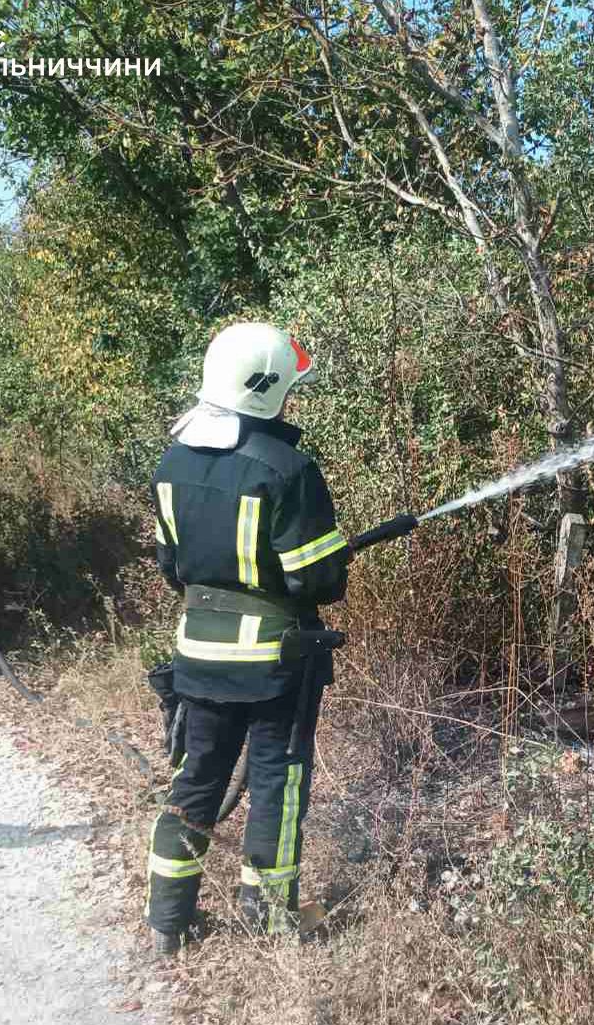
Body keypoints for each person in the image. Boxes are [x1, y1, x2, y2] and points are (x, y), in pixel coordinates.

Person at [144, 322, 356, 957]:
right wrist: (329, 557)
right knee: (275, 785)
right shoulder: (287, 468)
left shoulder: (172, 461)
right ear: (268, 390)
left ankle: (168, 921)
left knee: (195, 782)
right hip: (271, 663)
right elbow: (317, 578)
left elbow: (168, 563)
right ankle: (269, 919)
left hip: (197, 656)